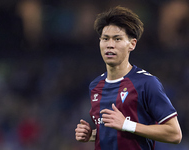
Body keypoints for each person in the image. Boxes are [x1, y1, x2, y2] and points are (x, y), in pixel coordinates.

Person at [75, 6, 182, 150]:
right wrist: (92, 135)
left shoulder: (146, 83)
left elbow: (175, 134)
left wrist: (126, 124)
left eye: (117, 39)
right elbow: (114, 131)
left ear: (132, 44)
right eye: (105, 39)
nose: (110, 45)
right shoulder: (95, 86)